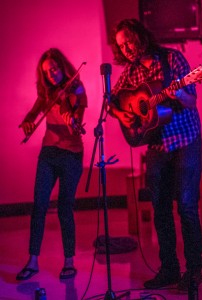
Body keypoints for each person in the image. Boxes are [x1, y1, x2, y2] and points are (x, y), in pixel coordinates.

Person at [109, 18, 202, 291]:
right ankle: (169, 269)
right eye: (121, 45)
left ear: (140, 36)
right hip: (156, 146)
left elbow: (192, 100)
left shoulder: (172, 59)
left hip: (185, 140)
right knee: (160, 209)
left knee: (186, 206)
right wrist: (124, 115)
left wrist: (176, 91)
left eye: (128, 41)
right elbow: (112, 101)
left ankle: (195, 272)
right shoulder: (131, 72)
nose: (126, 48)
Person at [16, 48, 87, 280]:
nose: (52, 75)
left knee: (65, 208)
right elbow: (34, 113)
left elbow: (77, 122)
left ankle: (69, 261)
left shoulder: (77, 89)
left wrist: (71, 119)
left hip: (71, 155)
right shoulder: (47, 93)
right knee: (39, 206)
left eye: (55, 69)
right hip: (48, 154)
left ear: (62, 66)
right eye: (47, 73)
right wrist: (28, 121)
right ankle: (33, 261)